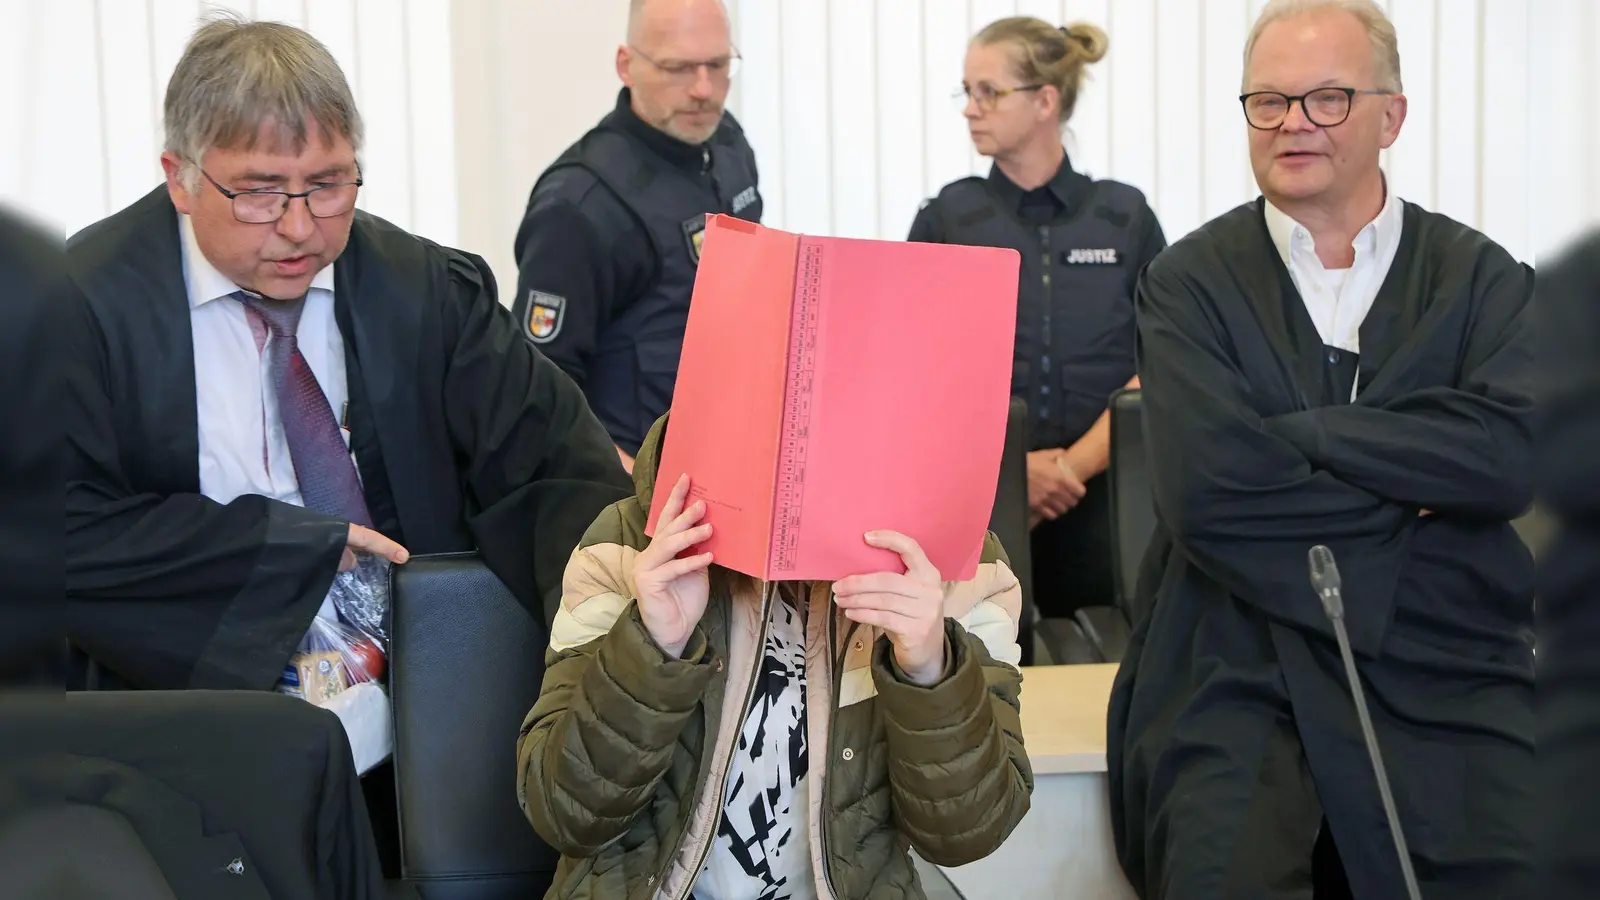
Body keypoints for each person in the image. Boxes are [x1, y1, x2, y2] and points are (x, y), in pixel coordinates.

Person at [63, 15, 633, 864]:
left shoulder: (423, 293)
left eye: (328, 185)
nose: (299, 227)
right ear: (179, 177)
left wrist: (615, 630)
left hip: (412, 747)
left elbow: (558, 472)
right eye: (260, 193)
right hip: (193, 750)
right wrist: (284, 549)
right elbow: (53, 532)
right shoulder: (81, 308)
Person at [1105, 1, 1534, 898]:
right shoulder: (1186, 285)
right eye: (1269, 100)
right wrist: (1415, 489)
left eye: (1328, 98)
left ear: (1392, 116)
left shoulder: (1484, 280)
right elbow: (1207, 493)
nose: (1293, 122)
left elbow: (1511, 456)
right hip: (1232, 662)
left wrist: (1305, 435)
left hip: (1440, 660)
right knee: (1221, 867)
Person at [516, 414, 1033, 899]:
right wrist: (653, 646)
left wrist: (930, 670)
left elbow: (969, 833)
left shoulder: (959, 567)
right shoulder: (629, 546)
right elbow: (563, 814)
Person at [909, 17, 1166, 619]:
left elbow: (1165, 359)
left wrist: (1069, 469)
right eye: (967, 91)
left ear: (1045, 101)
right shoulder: (948, 218)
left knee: (1108, 653)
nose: (970, 108)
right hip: (977, 504)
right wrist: (1014, 476)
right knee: (986, 655)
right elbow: (913, 370)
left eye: (989, 92)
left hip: (1108, 500)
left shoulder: (1124, 217)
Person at [511, 0, 762, 474]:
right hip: (638, 486)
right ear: (627, 65)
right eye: (678, 68)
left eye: (717, 64)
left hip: (733, 458)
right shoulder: (579, 207)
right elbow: (541, 400)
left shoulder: (727, 144)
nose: (703, 89)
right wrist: (638, 493)